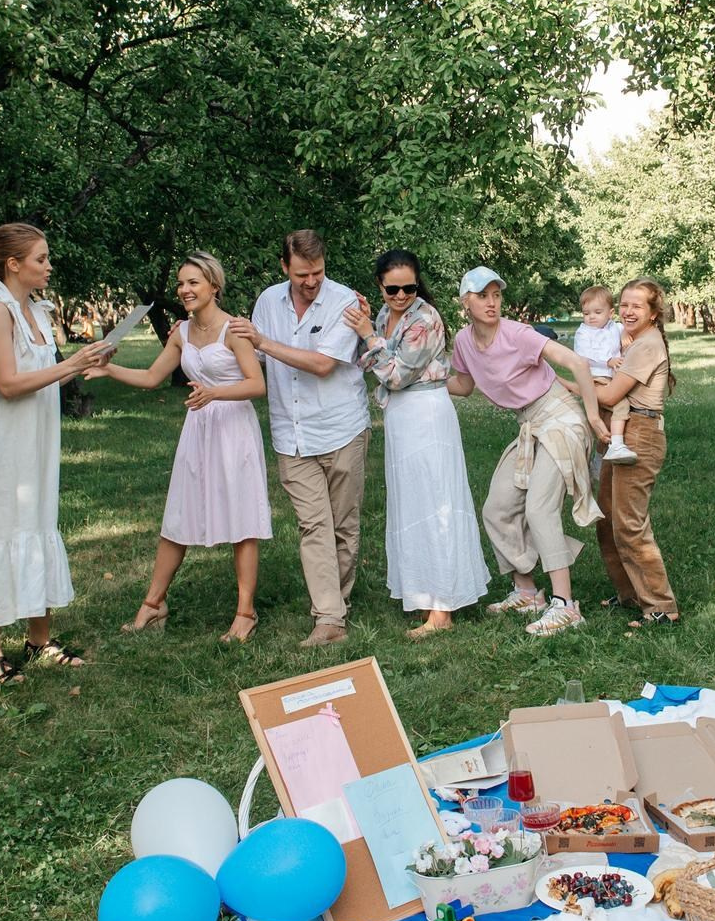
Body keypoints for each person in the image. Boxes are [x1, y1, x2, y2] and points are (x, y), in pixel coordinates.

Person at [95, 252, 273, 643]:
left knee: (242, 520)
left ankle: (245, 612)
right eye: (180, 283)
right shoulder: (181, 332)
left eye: (193, 282)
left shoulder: (235, 330)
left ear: (214, 286)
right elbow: (151, 376)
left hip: (233, 429)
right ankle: (153, 604)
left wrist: (215, 393)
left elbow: (257, 385)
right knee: (179, 515)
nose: (184, 290)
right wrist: (107, 369)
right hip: (198, 430)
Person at [0, 224, 111, 685]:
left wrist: (84, 364)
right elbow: (8, 384)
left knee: (37, 526)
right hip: (0, 447)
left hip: (36, 443)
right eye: (41, 259)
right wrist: (69, 365)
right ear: (13, 264)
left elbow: (43, 377)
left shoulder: (37, 312)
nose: (49, 266)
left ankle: (39, 640)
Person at [447, 267, 610, 637]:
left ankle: (565, 606)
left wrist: (593, 416)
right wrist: (424, 378)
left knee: (539, 507)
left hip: (560, 415)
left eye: (496, 295)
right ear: (465, 302)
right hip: (529, 424)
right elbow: (464, 384)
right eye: (482, 295)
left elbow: (577, 363)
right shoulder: (463, 342)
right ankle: (526, 591)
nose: (491, 303)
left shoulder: (517, 333)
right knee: (498, 508)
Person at [228, 230, 369, 649]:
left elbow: (323, 364)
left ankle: (336, 603)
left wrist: (264, 342)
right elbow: (249, 359)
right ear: (285, 267)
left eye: (319, 272)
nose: (312, 282)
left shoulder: (344, 300)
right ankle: (329, 618)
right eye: (303, 274)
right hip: (291, 434)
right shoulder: (268, 302)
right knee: (314, 525)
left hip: (342, 427)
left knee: (344, 526)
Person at [343, 249, 490, 640]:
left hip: (426, 413)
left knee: (434, 502)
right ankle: (426, 594)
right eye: (393, 289)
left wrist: (367, 336)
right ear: (381, 285)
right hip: (401, 419)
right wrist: (370, 330)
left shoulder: (425, 319)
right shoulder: (381, 314)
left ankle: (442, 610)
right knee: (412, 503)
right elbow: (380, 362)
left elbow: (393, 375)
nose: (402, 295)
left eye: (409, 287)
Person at [592, 278, 681, 625]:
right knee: (607, 517)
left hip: (640, 435)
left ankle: (661, 608)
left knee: (629, 524)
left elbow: (611, 396)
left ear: (654, 313)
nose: (628, 311)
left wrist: (571, 381)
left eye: (637, 306)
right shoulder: (635, 340)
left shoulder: (647, 345)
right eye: (624, 304)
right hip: (625, 431)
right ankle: (630, 593)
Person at [573, 285, 635, 468]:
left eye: (597, 312)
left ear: (610, 312)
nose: (591, 317)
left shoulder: (615, 327)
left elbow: (626, 328)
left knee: (605, 421)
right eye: (586, 313)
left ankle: (597, 462)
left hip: (611, 379)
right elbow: (583, 355)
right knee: (621, 404)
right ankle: (617, 445)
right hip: (594, 378)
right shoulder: (583, 332)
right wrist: (607, 360)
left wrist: (624, 332)